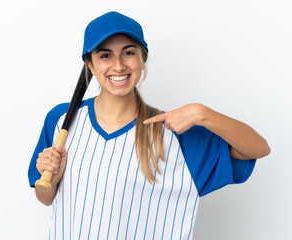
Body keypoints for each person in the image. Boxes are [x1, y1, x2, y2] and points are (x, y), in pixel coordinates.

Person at [28, 11, 270, 240]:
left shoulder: (175, 133)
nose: (119, 65)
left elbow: (258, 148)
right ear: (90, 65)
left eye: (128, 52)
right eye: (105, 55)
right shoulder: (62, 120)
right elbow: (46, 197)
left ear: (142, 59)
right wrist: (54, 178)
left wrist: (201, 113)